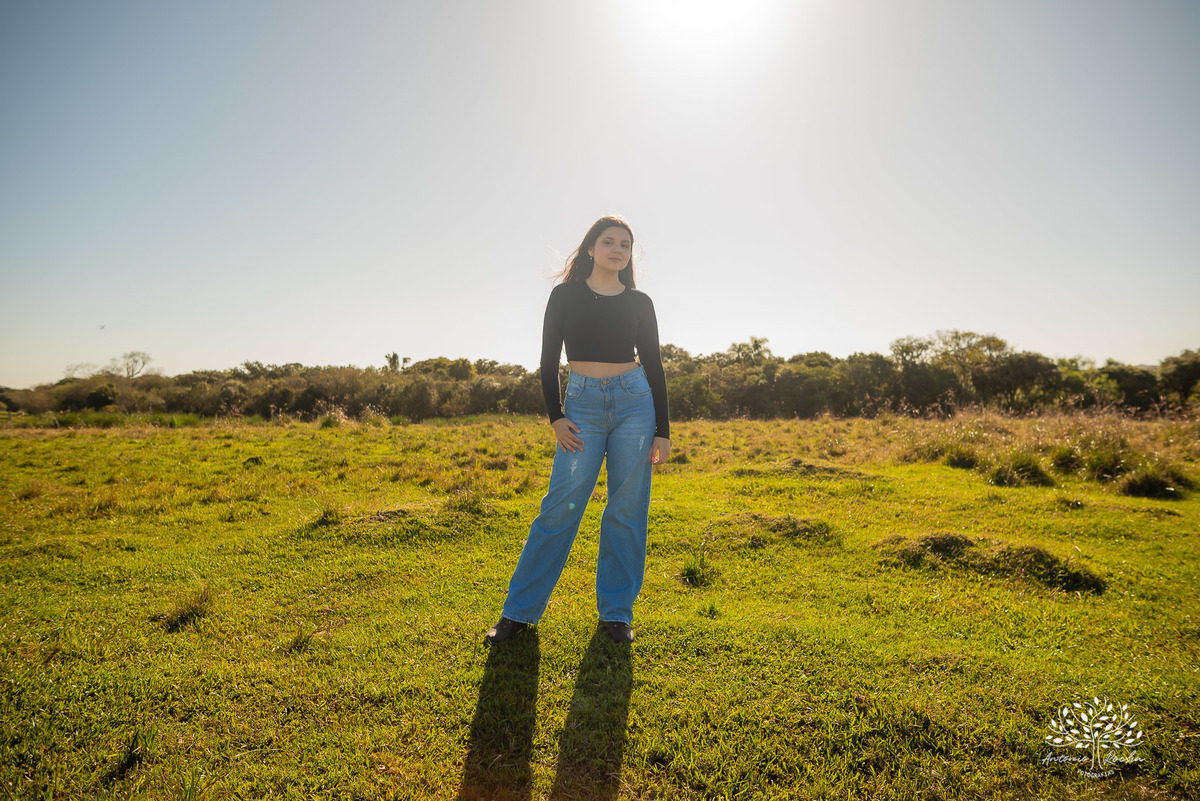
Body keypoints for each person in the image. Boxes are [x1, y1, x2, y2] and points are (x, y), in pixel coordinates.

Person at [485, 215, 671, 645]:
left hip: (634, 404)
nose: (617, 250)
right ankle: (518, 614)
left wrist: (662, 428)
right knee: (559, 507)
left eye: (625, 244)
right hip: (581, 406)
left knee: (626, 510)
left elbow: (656, 365)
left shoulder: (640, 302)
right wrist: (556, 417)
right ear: (591, 248)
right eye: (609, 242)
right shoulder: (565, 295)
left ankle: (616, 616)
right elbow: (548, 362)